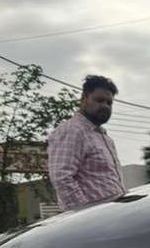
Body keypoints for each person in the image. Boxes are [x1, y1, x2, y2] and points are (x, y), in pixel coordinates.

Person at [48, 74, 126, 211]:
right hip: (93, 221)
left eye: (109, 103)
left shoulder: (103, 137)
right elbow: (61, 177)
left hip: (113, 216)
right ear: (83, 99)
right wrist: (85, 213)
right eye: (99, 100)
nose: (105, 106)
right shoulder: (72, 130)